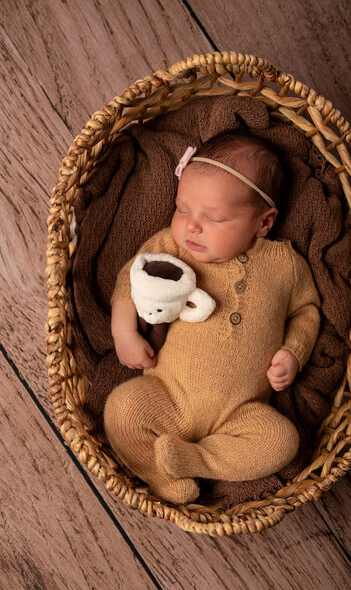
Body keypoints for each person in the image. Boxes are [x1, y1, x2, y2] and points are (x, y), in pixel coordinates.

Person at [104, 131, 321, 505]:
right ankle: (163, 477)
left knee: (281, 443)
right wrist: (123, 330)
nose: (191, 225)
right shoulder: (173, 247)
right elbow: (131, 275)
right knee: (122, 409)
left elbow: (306, 311)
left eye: (214, 217)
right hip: (167, 395)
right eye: (182, 208)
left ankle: (195, 460)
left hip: (240, 413)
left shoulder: (285, 265)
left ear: (264, 222)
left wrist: (293, 352)